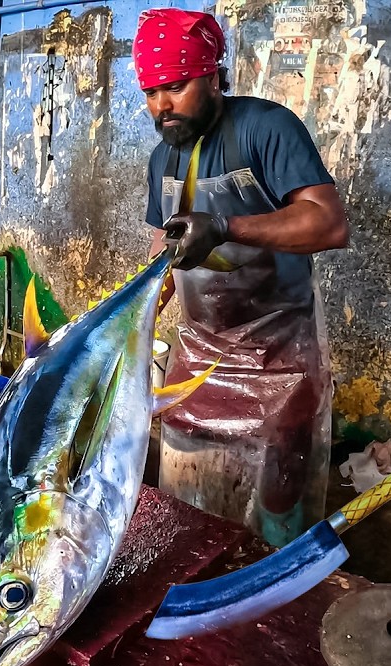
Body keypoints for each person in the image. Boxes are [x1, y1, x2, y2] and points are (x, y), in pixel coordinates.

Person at [138, 9, 350, 547]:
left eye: (176, 86)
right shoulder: (162, 157)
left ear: (212, 75)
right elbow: (161, 250)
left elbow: (328, 223)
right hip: (199, 347)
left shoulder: (266, 127)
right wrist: (134, 318)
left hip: (276, 348)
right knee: (189, 487)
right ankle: (198, 563)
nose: (162, 105)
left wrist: (226, 226)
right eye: (151, 91)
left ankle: (274, 575)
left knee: (280, 482)